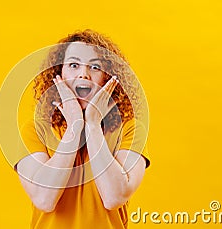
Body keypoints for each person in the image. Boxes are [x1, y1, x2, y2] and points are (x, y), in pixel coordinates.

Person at [15, 29, 150, 229]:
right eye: (74, 65)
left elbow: (114, 197)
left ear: (107, 77)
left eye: (95, 67)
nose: (83, 74)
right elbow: (44, 199)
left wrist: (93, 125)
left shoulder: (130, 129)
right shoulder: (35, 130)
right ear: (58, 74)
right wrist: (74, 128)